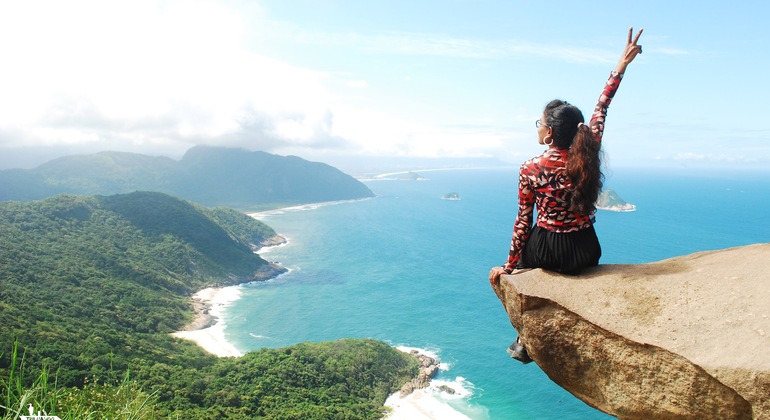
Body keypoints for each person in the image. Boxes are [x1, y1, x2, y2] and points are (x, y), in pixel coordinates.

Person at [489, 27, 644, 363]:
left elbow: (522, 222)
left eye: (539, 123)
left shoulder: (531, 168)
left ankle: (523, 340)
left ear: (548, 133)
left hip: (546, 250)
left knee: (518, 270)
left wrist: (510, 266)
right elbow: (602, 107)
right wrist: (621, 65)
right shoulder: (586, 152)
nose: (537, 127)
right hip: (584, 250)